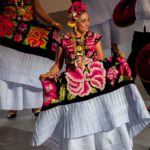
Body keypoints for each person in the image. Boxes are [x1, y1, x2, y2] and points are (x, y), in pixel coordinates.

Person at [32, 2, 150, 150]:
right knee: (78, 123)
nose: (88, 24)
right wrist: (48, 74)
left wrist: (117, 58)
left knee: (97, 120)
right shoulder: (63, 40)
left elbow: (101, 63)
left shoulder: (94, 38)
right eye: (84, 21)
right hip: (75, 90)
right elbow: (58, 65)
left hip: (93, 86)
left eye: (88, 20)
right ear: (74, 22)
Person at [0, 0, 63, 119]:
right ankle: (12, 106)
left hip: (30, 30)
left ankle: (35, 103)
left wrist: (52, 22)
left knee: (32, 68)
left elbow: (38, 9)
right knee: (11, 69)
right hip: (9, 32)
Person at [127, 0, 150, 111]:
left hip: (146, 32)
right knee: (133, 65)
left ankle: (125, 99)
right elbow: (144, 12)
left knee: (135, 66)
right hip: (141, 32)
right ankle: (125, 98)